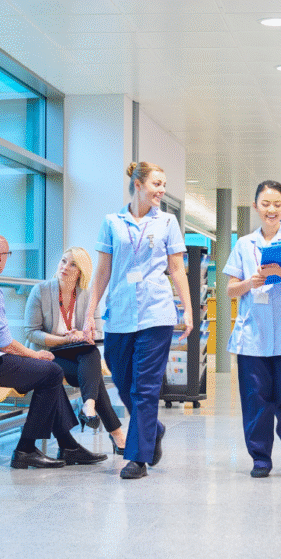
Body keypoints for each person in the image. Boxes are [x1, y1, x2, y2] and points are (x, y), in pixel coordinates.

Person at [0, 233, 107, 469]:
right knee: (50, 372)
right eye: (7, 255)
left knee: (48, 371)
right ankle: (25, 449)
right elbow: (5, 343)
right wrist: (35, 355)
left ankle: (69, 446)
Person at [84, 161, 193, 480]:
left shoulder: (168, 222)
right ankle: (153, 429)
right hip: (119, 313)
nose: (161, 190)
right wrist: (90, 311)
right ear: (138, 184)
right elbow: (103, 269)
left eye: (163, 184)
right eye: (156, 184)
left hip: (156, 311)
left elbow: (176, 268)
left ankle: (137, 457)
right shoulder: (111, 223)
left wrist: (187, 308)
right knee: (123, 380)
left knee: (145, 388)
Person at [224, 180, 281, 478]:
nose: (272, 209)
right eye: (266, 204)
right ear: (255, 207)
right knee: (256, 398)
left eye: (277, 204)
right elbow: (230, 290)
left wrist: (280, 272)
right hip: (253, 333)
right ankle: (260, 457)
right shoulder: (243, 245)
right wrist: (248, 284)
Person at [23, 247, 126, 456]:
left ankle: (89, 406)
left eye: (72, 265)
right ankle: (115, 432)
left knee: (91, 354)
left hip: (77, 355)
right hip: (48, 355)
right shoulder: (41, 291)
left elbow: (96, 331)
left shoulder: (87, 295)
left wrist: (82, 333)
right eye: (63, 261)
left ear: (81, 271)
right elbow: (31, 333)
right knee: (93, 372)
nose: (65, 267)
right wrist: (63, 339)